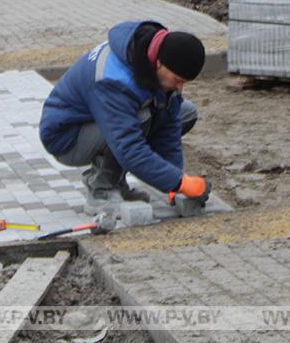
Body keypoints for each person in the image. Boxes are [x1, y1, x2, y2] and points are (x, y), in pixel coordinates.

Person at [39, 20, 211, 211]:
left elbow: (168, 127)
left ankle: (118, 184)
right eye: (177, 80)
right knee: (139, 120)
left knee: (184, 112)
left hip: (99, 121)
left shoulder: (152, 55)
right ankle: (101, 190)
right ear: (160, 63)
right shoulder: (113, 80)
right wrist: (180, 183)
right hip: (66, 137)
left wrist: (175, 182)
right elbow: (128, 147)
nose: (180, 87)